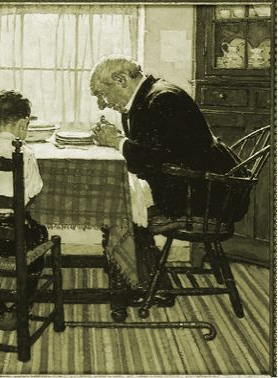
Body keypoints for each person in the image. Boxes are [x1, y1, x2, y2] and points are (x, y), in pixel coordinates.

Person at [89, 54, 249, 321]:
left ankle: (142, 285)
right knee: (123, 202)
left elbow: (156, 160)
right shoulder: (149, 96)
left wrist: (117, 142)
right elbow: (156, 154)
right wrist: (118, 140)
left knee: (118, 209)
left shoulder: (163, 99)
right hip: (196, 185)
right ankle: (148, 278)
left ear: (121, 80)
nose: (102, 104)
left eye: (103, 94)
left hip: (209, 196)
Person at [0, 89, 48, 331]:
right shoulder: (25, 154)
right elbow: (34, 189)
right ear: (24, 124)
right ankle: (24, 305)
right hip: (17, 240)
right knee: (40, 236)